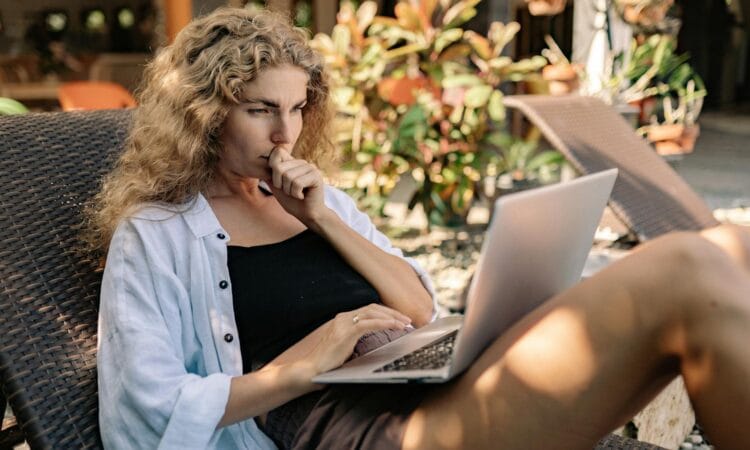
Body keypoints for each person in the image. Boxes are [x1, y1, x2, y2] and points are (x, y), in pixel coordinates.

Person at [89, 7, 750, 450]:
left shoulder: (316, 201)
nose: (286, 133)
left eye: (296, 108)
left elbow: (417, 305)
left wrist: (322, 218)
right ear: (205, 115)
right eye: (261, 110)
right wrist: (300, 366)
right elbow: (139, 413)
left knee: (731, 246)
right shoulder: (158, 235)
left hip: (428, 385)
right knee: (688, 270)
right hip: (371, 433)